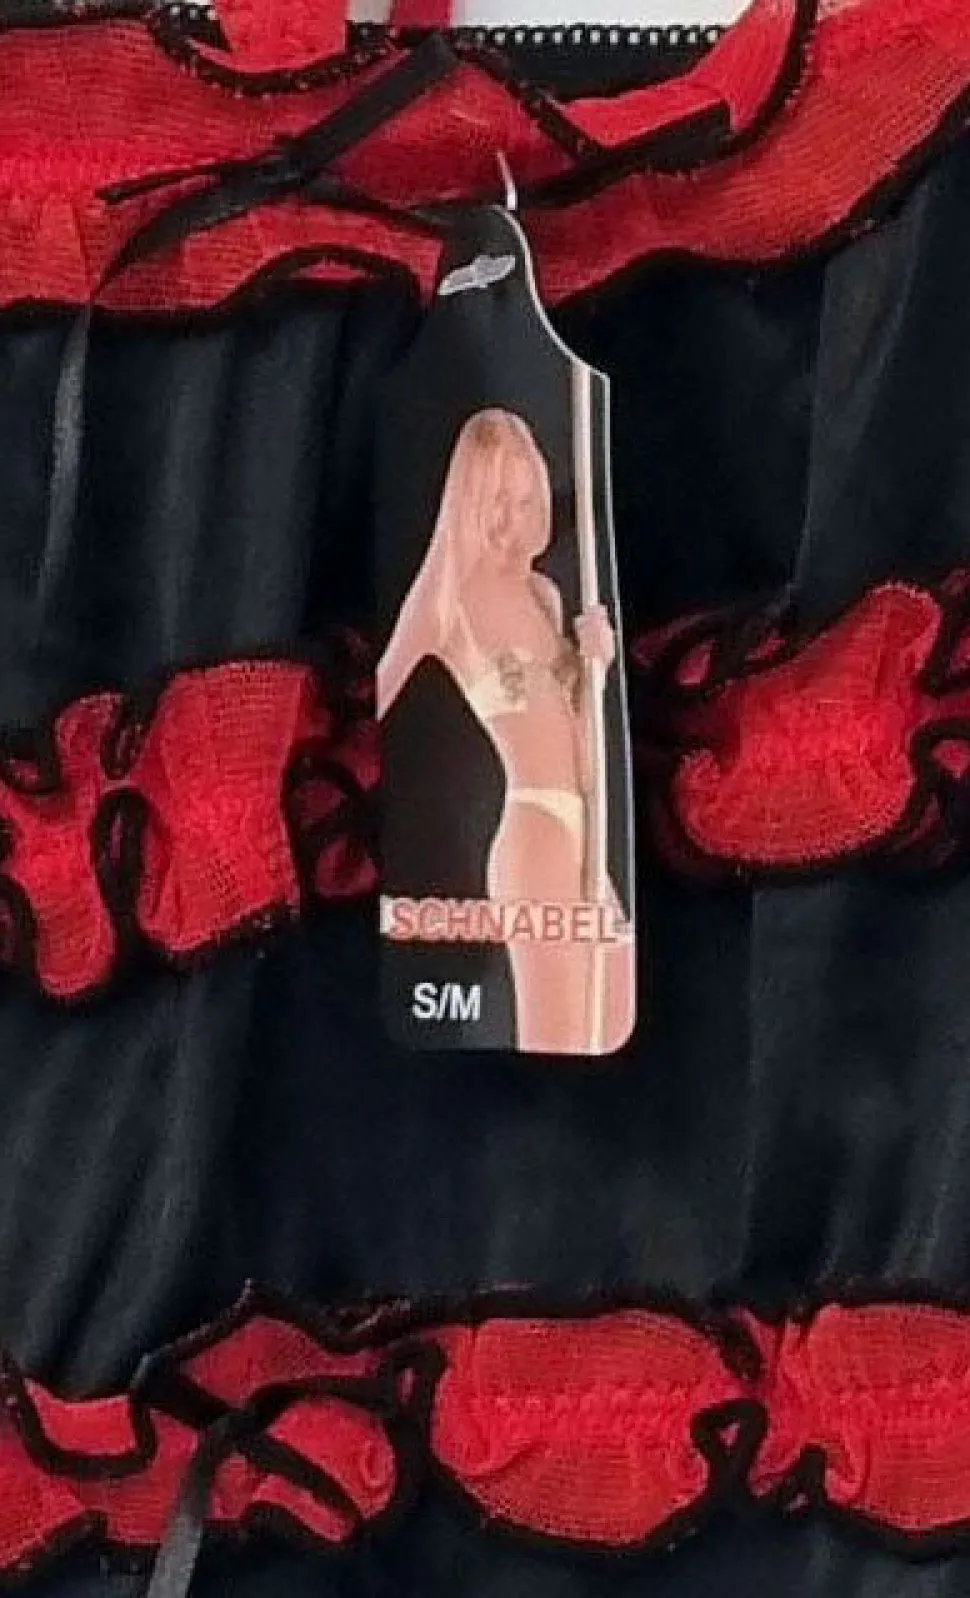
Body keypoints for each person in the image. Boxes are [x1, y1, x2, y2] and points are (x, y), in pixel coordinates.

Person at [378, 407, 633, 1053]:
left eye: (525, 500)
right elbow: (372, 693)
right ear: (471, 500)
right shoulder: (446, 597)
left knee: (611, 1019)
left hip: (587, 830)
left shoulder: (543, 595)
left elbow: (581, 739)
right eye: (499, 501)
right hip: (534, 835)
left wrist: (597, 668)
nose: (514, 517)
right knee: (556, 1037)